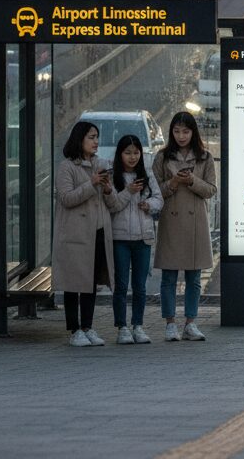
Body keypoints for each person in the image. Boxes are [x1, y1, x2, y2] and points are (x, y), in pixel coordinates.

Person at [52, 120, 123, 347]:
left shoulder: (101, 165)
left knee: (90, 282)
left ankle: (88, 326)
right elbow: (66, 198)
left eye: (96, 137)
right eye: (91, 137)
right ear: (79, 139)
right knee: (75, 282)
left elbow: (112, 204)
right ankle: (74, 329)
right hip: (75, 234)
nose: (95, 142)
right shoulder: (67, 167)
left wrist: (109, 189)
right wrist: (91, 184)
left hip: (98, 231)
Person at [152, 112, 216, 342]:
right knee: (169, 276)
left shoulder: (205, 157)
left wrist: (191, 181)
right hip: (172, 218)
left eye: (186, 131)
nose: (181, 136)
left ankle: (191, 322)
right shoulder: (162, 157)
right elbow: (154, 191)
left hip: (195, 220)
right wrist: (174, 182)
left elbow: (211, 190)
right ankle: (170, 323)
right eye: (177, 131)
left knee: (194, 277)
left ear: (193, 132)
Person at [110, 134, 163, 344]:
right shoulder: (114, 176)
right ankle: (122, 327)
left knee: (140, 285)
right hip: (120, 237)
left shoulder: (147, 174)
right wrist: (128, 191)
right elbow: (112, 204)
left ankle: (138, 325)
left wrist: (149, 205)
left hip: (143, 237)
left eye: (136, 153)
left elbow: (159, 199)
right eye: (127, 153)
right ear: (120, 154)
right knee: (121, 285)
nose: (132, 157)